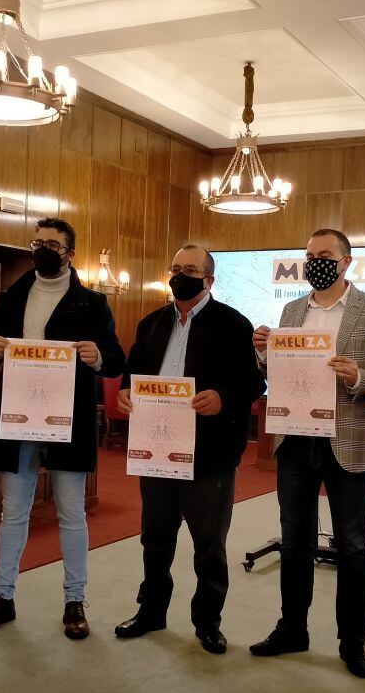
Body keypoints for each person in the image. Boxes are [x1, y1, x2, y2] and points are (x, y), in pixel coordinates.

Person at [249, 228, 365, 678]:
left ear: (347, 262)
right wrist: (262, 352)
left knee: (353, 546)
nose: (316, 261)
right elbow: (280, 370)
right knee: (295, 540)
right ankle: (292, 629)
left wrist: (357, 376)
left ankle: (353, 642)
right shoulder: (292, 309)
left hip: (347, 439)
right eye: (310, 255)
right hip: (295, 438)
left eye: (326, 255)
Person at [0, 218, 124, 640]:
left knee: (71, 513)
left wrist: (96, 357)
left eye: (53, 244)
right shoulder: (11, 295)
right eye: (38, 242)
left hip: (66, 418)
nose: (43, 249)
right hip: (16, 417)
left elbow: (115, 358)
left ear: (70, 254)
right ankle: (2, 596)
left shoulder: (92, 302)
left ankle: (74, 600)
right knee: (13, 512)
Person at [113, 245, 265, 654]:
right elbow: (131, 375)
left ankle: (207, 622)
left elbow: (254, 384)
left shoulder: (234, 324)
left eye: (191, 270)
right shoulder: (150, 323)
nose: (181, 275)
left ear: (210, 279)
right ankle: (151, 612)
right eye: (175, 268)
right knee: (155, 538)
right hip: (156, 448)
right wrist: (126, 394)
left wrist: (222, 396)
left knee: (209, 544)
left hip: (210, 453)